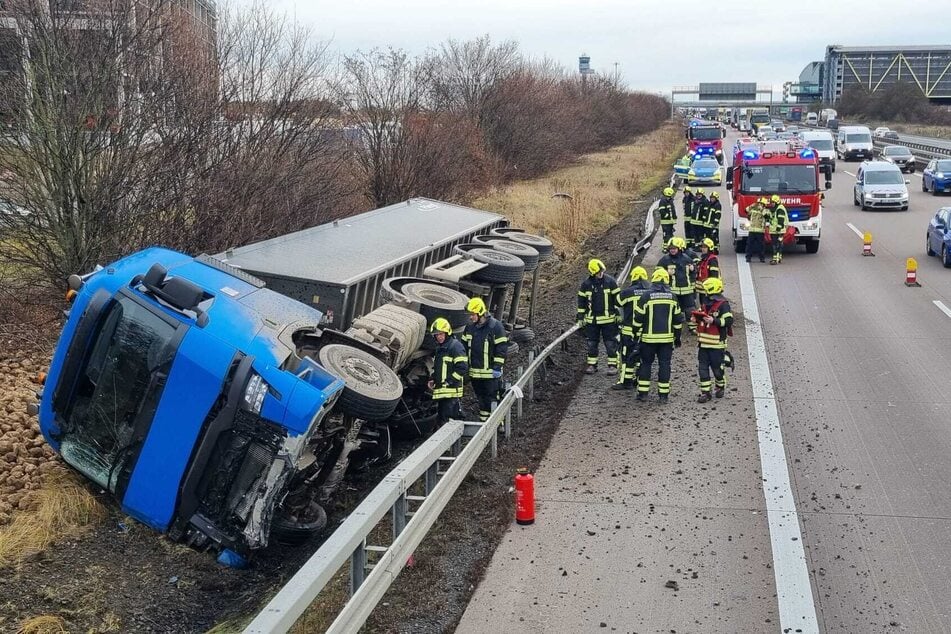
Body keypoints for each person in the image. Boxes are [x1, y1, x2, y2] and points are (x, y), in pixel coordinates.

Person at [633, 268, 684, 403]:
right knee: (664, 365)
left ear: (653, 279)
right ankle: (663, 396)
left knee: (646, 364)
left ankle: (643, 394)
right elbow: (678, 321)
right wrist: (677, 338)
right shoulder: (672, 297)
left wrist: (635, 335)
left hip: (648, 339)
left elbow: (637, 318)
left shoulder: (646, 297)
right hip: (666, 340)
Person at [461, 297, 509, 422]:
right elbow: (464, 348)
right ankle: (484, 425)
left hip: (491, 374)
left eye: (472, 314)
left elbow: (502, 348)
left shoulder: (495, 327)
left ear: (480, 312)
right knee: (481, 400)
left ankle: (499, 424)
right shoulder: (470, 328)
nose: (470, 317)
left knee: (493, 399)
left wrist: (497, 367)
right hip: (475, 374)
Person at [693, 278, 734, 403]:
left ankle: (720, 386)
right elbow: (701, 313)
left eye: (706, 290)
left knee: (717, 369)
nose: (705, 293)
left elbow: (729, 321)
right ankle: (705, 393)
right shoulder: (706, 302)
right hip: (704, 344)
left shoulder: (723, 304)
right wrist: (696, 318)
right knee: (703, 368)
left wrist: (714, 321)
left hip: (717, 344)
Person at [577, 258, 620, 375]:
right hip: (592, 321)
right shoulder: (586, 284)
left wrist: (618, 314)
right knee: (591, 343)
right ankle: (592, 365)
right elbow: (581, 302)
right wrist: (580, 317)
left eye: (601, 271)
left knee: (611, 343)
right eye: (598, 272)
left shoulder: (610, 282)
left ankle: (612, 366)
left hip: (609, 320)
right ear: (592, 273)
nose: (600, 274)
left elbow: (618, 300)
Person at [612, 265, 651, 391]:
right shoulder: (650, 292)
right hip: (644, 331)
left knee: (627, 357)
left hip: (629, 331)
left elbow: (617, 302)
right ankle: (639, 379)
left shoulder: (627, 292)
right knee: (642, 356)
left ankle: (625, 381)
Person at [428, 317, 468, 424]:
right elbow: (439, 367)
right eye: (436, 335)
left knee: (447, 422)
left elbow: (462, 367)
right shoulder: (439, 349)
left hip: (451, 392)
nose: (439, 337)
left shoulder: (455, 346)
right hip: (442, 392)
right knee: (442, 420)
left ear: (447, 332)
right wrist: (433, 379)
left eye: (441, 334)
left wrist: (449, 381)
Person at [657, 237, 697, 334]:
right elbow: (657, 274)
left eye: (674, 248)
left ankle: (693, 328)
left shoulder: (687, 259)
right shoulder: (664, 260)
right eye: (671, 249)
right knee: (672, 310)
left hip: (687, 291)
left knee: (690, 309)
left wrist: (693, 269)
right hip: (672, 291)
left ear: (679, 248)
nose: (672, 250)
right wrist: (666, 273)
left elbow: (693, 274)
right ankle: (671, 328)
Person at [694, 237, 720, 305]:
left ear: (709, 248)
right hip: (702, 290)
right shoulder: (704, 258)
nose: (703, 249)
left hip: (708, 290)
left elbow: (714, 275)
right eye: (702, 247)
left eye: (705, 247)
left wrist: (711, 288)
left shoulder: (712, 260)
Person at [765, 194, 788, 265]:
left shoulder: (780, 209)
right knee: (778, 244)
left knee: (776, 244)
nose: (772, 203)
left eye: (773, 202)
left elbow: (781, 219)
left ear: (776, 202)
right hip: (775, 230)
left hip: (778, 231)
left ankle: (775, 259)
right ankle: (779, 257)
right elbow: (772, 218)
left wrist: (778, 228)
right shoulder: (776, 208)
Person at [745, 197, 767, 263]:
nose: (759, 205)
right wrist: (751, 206)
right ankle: (748, 258)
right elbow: (746, 210)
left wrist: (761, 209)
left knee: (760, 245)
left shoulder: (765, 210)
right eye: (758, 203)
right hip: (752, 230)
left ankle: (761, 258)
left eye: (760, 204)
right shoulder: (753, 209)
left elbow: (766, 215)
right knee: (749, 245)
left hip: (760, 231)